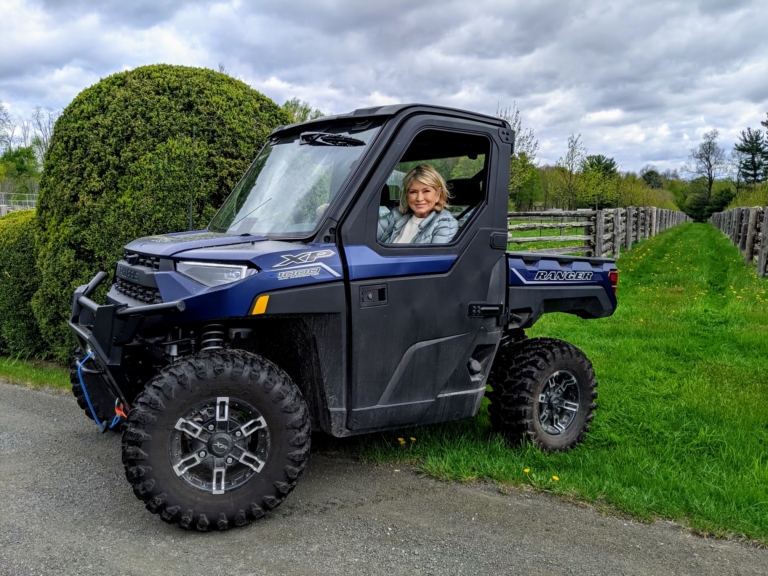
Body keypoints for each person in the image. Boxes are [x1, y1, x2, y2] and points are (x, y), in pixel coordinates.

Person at [377, 164, 459, 244]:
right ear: (407, 195)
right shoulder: (396, 215)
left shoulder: (445, 224)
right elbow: (367, 235)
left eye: (426, 191)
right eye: (413, 192)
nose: (419, 198)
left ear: (438, 195)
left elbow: (435, 257)